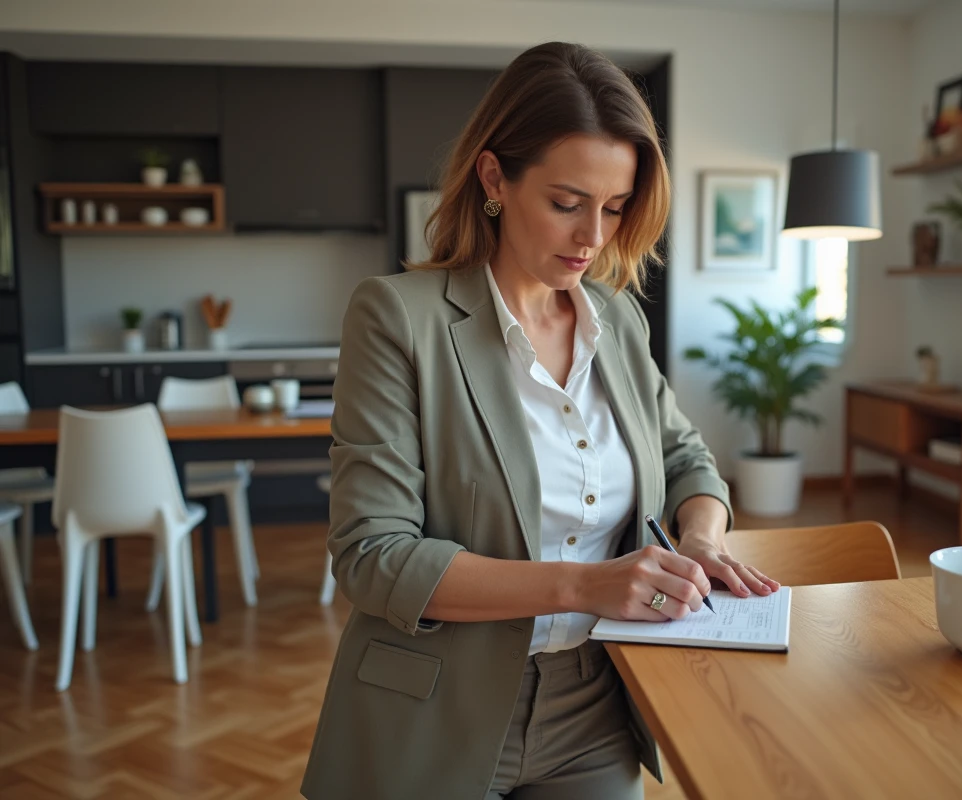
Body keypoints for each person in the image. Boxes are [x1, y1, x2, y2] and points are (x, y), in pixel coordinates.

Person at [301, 41, 780, 800]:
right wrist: (588, 584)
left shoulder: (616, 320)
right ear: (495, 178)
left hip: (598, 705)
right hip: (434, 711)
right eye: (567, 203)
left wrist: (701, 539)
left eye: (615, 208)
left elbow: (688, 457)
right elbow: (373, 556)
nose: (594, 236)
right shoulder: (398, 318)